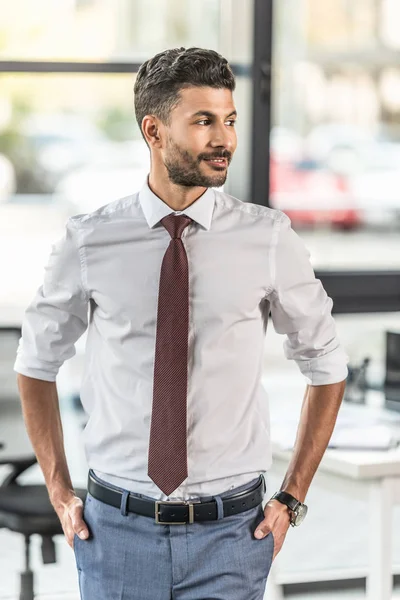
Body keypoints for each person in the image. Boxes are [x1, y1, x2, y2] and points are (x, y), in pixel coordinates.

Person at [14, 47, 348, 600]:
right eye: (204, 121)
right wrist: (58, 488)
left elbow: (327, 365)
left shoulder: (267, 237)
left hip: (233, 535)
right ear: (154, 130)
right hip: (114, 533)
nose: (225, 140)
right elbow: (35, 363)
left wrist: (291, 497)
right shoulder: (91, 239)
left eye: (230, 120)